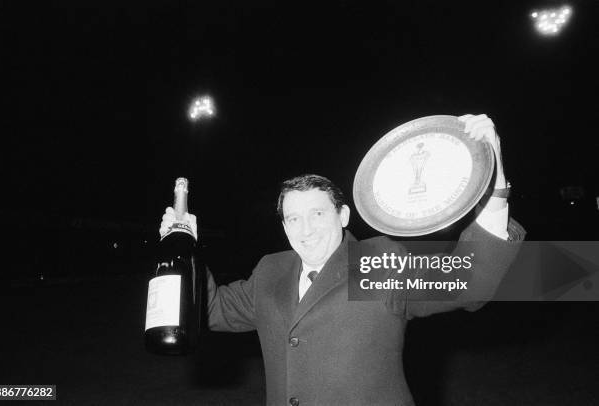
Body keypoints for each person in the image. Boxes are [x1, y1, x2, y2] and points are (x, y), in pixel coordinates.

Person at [159, 114, 526, 406]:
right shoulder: (271, 270)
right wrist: (184, 246)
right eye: (293, 218)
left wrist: (494, 188)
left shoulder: (378, 261)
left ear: (344, 216)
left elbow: (468, 283)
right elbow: (210, 309)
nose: (306, 228)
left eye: (317, 214)